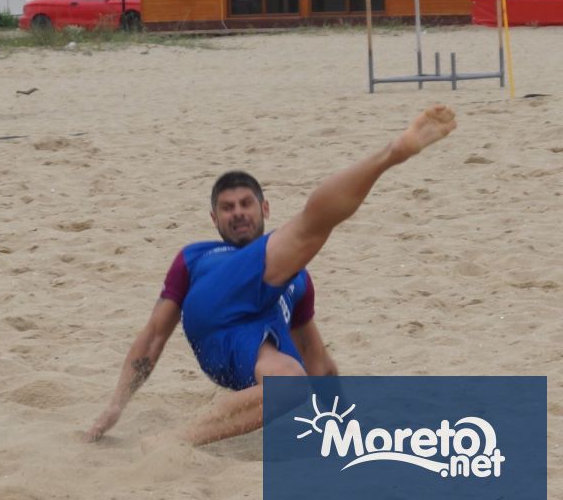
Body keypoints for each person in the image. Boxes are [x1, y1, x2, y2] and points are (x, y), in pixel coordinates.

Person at [84, 106, 456, 446]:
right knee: (310, 227)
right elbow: (154, 334)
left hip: (248, 339)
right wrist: (116, 404)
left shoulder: (297, 278)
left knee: (292, 383)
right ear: (214, 219)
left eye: (246, 204)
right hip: (213, 305)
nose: (237, 213)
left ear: (264, 208)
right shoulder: (196, 256)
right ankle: (391, 154)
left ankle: (173, 441)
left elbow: (318, 360)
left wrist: (344, 426)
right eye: (226, 208)